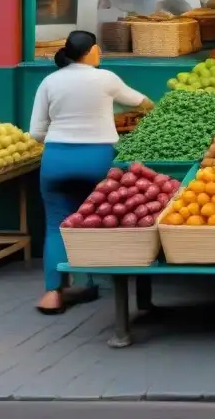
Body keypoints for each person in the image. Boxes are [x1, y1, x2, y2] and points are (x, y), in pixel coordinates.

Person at [29, 31, 154, 314]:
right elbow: (141, 102)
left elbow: (36, 132)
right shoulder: (105, 78)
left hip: (56, 159)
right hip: (97, 158)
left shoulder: (49, 81)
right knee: (103, 219)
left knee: (56, 225)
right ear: (93, 51)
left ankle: (53, 293)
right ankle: (97, 281)